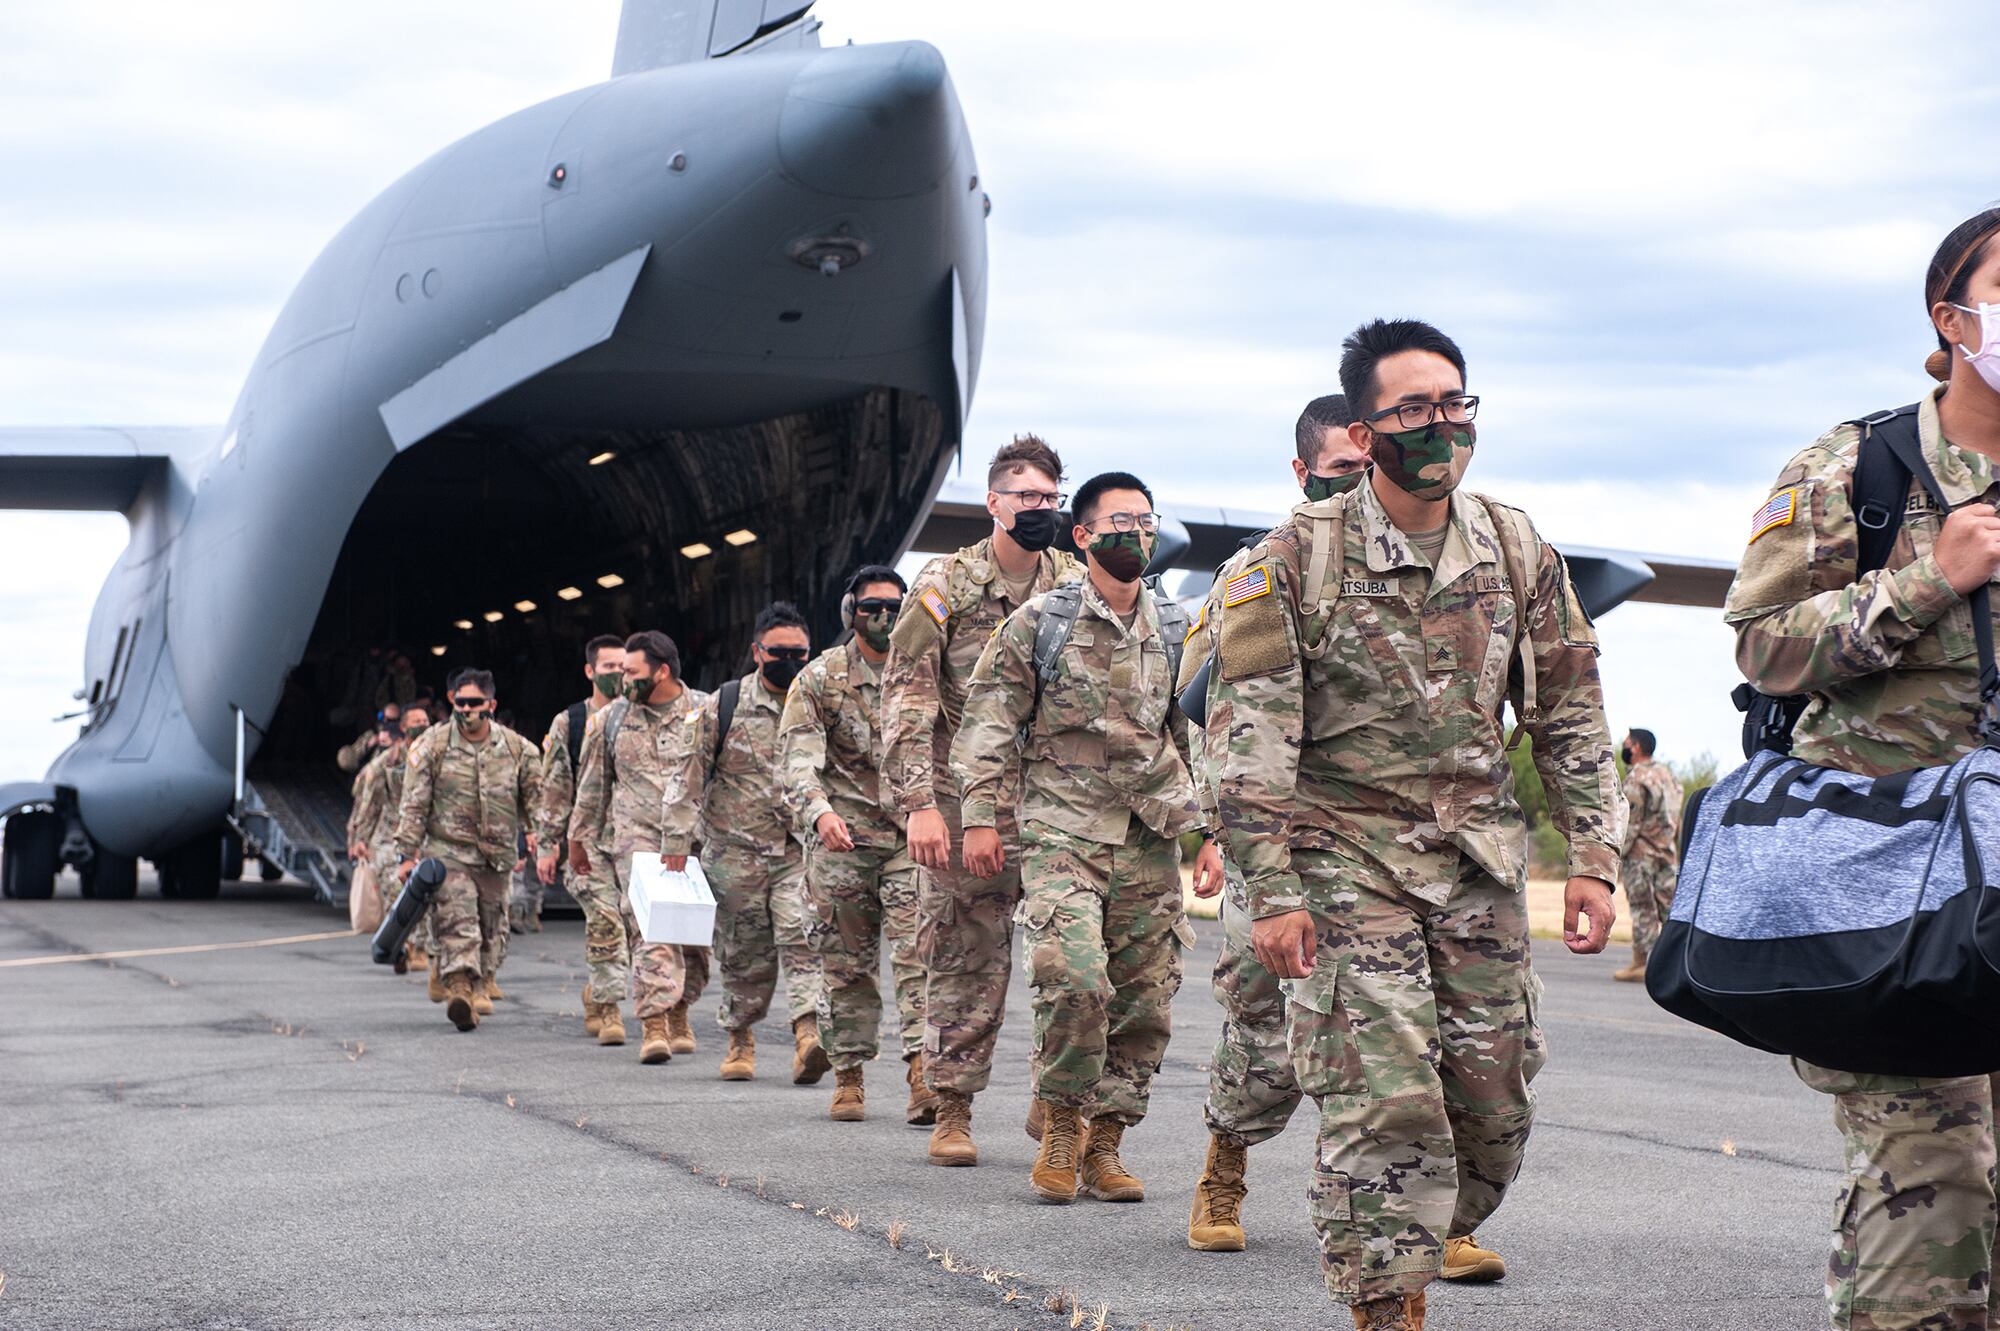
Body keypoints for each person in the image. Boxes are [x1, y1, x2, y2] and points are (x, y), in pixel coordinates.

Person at [1211, 318, 1621, 1329]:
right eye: (1411, 410)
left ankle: (1426, 1223)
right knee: (1383, 1101)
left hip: (1475, 862)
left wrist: (1592, 856)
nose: (1439, 425)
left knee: (1492, 1102)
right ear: (1362, 432)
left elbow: (1567, 708)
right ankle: (1385, 1302)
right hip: (1344, 862)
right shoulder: (1286, 561)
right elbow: (1249, 739)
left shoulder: (1516, 546)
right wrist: (1270, 891)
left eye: (1452, 404)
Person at [1725, 207, 2000, 1331]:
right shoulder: (1859, 465)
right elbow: (1763, 642)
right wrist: (1927, 577)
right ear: (1952, 318)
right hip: (1890, 900)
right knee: (1932, 1196)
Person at [951, 471, 1220, 1204]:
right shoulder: (1041, 622)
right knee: (1071, 975)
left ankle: (1106, 1143)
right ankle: (1062, 1121)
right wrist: (979, 816)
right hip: (1062, 831)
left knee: (1144, 1001)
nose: (1133, 533)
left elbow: (1199, 739)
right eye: (1118, 521)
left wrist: (1213, 834)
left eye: (1145, 520)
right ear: (1082, 535)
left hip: (1150, 838)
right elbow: (988, 724)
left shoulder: (1176, 629)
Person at [1187, 393, 1368, 1251]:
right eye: (1343, 471)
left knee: (1415, 1038)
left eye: (1374, 468)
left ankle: (1421, 1217)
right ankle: (1223, 1168)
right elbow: (1211, 717)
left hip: (1395, 851)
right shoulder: (1262, 574)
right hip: (1282, 843)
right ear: (1303, 472)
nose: (1363, 487)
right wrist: (1220, 835)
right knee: (1266, 1032)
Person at [882, 435, 1086, 1167]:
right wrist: (918, 806)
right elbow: (905, 697)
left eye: (1050, 498)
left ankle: (1054, 1096)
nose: (1039, 509)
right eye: (1026, 496)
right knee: (968, 958)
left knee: (1073, 959)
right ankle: (953, 1108)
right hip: (967, 802)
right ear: (994, 502)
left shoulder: (1074, 582)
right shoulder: (946, 584)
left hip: (1063, 802)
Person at [779, 567, 928, 1122]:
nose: (884, 617)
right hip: (843, 841)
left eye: (894, 606)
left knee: (921, 958)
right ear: (851, 613)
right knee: (847, 966)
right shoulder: (819, 679)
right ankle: (849, 1075)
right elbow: (797, 760)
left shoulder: (924, 675)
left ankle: (923, 1075)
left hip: (912, 841)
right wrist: (819, 814)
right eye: (872, 607)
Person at [691, 603, 830, 1084]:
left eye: (799, 652)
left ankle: (807, 1035)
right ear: (756, 652)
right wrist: (674, 843)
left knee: (802, 939)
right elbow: (688, 777)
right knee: (743, 952)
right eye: (779, 651)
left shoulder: (817, 701)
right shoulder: (721, 705)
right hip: (735, 855)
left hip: (797, 852)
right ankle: (739, 1039)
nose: (789, 659)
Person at [566, 631, 706, 1063]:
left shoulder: (704, 711)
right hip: (636, 838)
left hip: (696, 837)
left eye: (631, 671)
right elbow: (592, 785)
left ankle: (681, 1008)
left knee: (695, 936)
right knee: (648, 926)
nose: (622, 679)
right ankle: (654, 1023)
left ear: (661, 671)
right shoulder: (611, 718)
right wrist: (577, 839)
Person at [392, 670, 541, 1032]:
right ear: (451, 702)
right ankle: (458, 988)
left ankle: (476, 986)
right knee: (459, 920)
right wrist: (407, 854)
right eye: (460, 703)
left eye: (476, 704)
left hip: (497, 855)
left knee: (491, 929)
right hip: (450, 851)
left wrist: (540, 836)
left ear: (491, 705)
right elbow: (414, 804)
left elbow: (537, 800)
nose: (468, 710)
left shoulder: (518, 749)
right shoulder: (432, 745)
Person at [533, 634, 626, 1038]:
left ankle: (601, 992)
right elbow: (554, 789)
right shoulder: (570, 723)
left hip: (634, 844)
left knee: (641, 931)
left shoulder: (639, 716)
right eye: (609, 668)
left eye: (625, 668)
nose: (618, 676)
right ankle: (607, 1009)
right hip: (586, 847)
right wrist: (548, 845)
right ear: (590, 671)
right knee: (606, 920)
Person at [347, 702, 431, 972]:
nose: (423, 726)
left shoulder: (439, 755)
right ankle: (403, 946)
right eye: (416, 721)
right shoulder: (387, 763)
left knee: (429, 890)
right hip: (392, 835)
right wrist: (359, 838)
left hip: (429, 835)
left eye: (426, 720)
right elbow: (369, 803)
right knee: (397, 890)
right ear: (404, 727)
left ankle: (417, 948)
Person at [1612, 728, 1681, 983]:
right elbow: (1676, 817)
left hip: (1641, 854)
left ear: (1637, 747)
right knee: (1670, 907)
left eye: (1627, 742)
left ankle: (1641, 963)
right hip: (1666, 852)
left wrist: (1618, 852)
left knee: (1643, 907)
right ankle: (1680, 962)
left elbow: (1631, 821)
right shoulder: (1667, 775)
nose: (1625, 746)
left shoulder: (1636, 778)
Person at [337, 701, 402, 774]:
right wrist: (369, 745)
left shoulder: (402, 740)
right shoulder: (373, 735)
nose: (384, 721)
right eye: (381, 716)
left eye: (390, 721)